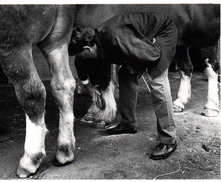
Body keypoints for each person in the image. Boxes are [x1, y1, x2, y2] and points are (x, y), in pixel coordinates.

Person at [69, 12, 178, 160]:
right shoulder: (98, 42)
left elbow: (152, 55)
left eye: (81, 55)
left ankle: (169, 140)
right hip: (140, 43)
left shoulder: (115, 36)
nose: (82, 59)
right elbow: (81, 62)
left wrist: (139, 62)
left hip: (161, 34)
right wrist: (88, 86)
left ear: (87, 49)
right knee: (125, 74)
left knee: (157, 81)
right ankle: (128, 123)